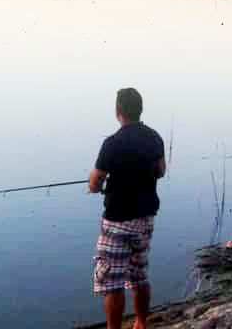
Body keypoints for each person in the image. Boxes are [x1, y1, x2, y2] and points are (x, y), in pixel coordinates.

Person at [89, 88, 166, 329]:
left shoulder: (112, 143)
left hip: (117, 220)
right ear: (140, 109)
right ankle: (141, 322)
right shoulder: (154, 137)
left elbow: (96, 181)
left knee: (112, 282)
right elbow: (161, 171)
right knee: (139, 274)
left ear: (118, 111)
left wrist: (93, 185)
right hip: (144, 218)